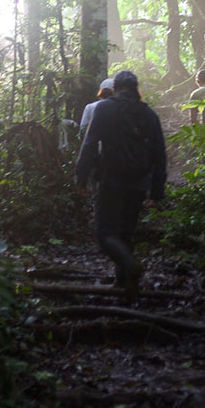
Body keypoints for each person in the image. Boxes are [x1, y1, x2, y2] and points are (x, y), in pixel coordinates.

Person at [74, 70, 167, 296]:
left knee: (104, 233)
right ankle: (124, 283)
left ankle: (130, 266)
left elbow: (89, 144)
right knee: (126, 232)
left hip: (110, 179)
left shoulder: (104, 108)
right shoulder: (149, 114)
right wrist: (156, 190)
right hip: (138, 182)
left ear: (115, 88)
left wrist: (81, 176)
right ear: (136, 88)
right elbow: (159, 154)